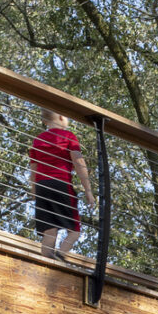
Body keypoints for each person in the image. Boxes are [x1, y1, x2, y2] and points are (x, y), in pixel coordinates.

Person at [29, 109, 97, 259]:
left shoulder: (38, 140)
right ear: (61, 117)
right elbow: (79, 162)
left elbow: (33, 168)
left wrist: (34, 191)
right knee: (74, 231)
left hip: (42, 186)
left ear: (45, 121)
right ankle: (60, 255)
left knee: (49, 230)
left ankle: (46, 262)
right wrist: (88, 190)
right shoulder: (68, 136)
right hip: (61, 184)